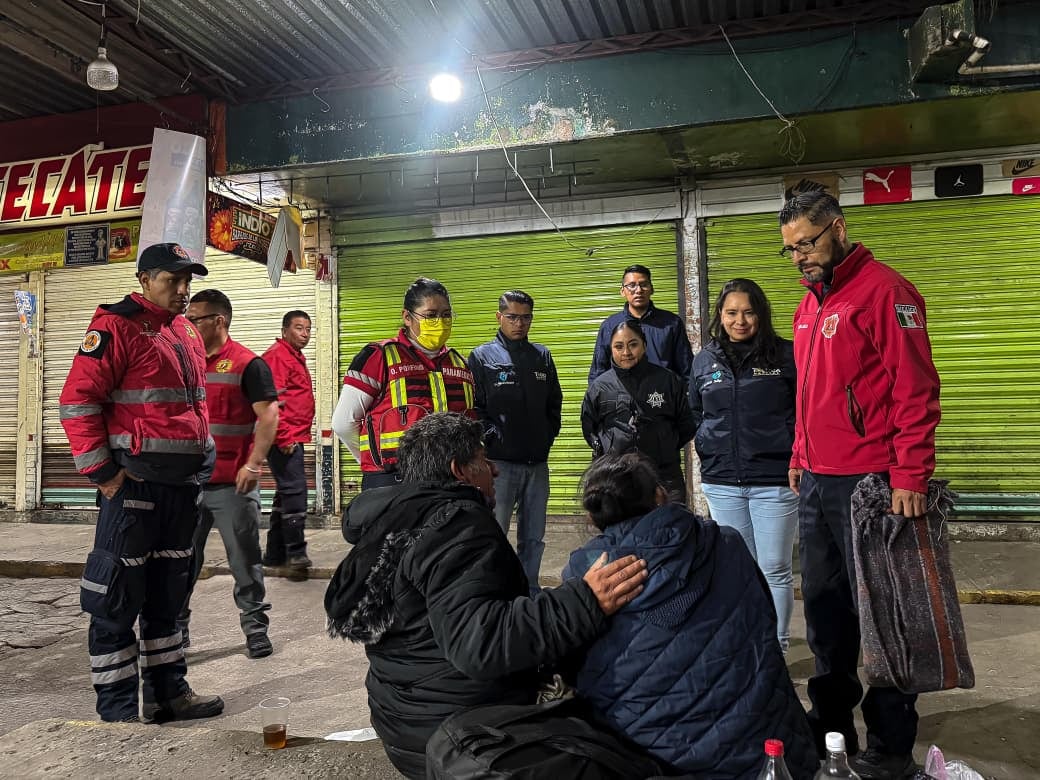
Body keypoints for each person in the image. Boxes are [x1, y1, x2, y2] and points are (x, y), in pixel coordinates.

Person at [325, 412, 648, 779]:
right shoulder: (456, 525)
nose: (494, 470)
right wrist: (584, 601)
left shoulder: (397, 517)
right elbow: (479, 643)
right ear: (459, 470)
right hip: (461, 742)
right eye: (482, 459)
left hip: (403, 729)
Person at [779, 191, 941, 779]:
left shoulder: (885, 293)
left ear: (838, 229)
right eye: (791, 249)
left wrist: (910, 473)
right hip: (818, 482)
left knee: (884, 616)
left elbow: (915, 390)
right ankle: (834, 732)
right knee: (825, 613)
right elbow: (807, 394)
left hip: (872, 482)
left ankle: (891, 746)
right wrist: (800, 453)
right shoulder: (807, 306)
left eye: (808, 243)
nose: (800, 257)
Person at [562, 453, 817, 780]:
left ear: (593, 515)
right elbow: (764, 621)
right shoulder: (724, 542)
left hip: (652, 759)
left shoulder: (585, 573)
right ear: (659, 495)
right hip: (770, 757)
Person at [59, 242, 223, 724]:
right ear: (145, 278)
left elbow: (190, 409)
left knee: (167, 598)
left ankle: (168, 697)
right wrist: (104, 475)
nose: (182, 288)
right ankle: (117, 715)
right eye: (172, 279)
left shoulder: (184, 331)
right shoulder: (115, 327)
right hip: (134, 490)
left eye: (186, 279)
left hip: (180, 489)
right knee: (115, 598)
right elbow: (77, 402)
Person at [688, 278, 799, 652]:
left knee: (774, 568)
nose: (740, 320)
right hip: (722, 483)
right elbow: (694, 412)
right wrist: (708, 449)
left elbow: (803, 411)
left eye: (748, 312)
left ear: (761, 314)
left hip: (774, 480)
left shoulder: (785, 355)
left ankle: (777, 647)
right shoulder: (705, 359)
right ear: (720, 315)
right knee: (739, 569)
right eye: (732, 312)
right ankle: (749, 645)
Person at [178, 289, 278, 660]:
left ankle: (255, 628)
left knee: (245, 562)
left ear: (218, 321)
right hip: (187, 485)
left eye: (195, 319)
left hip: (231, 486)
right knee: (182, 562)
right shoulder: (184, 363)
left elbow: (269, 415)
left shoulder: (247, 364)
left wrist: (254, 464)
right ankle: (177, 630)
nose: (187, 325)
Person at [331, 277, 475, 490]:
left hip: (448, 481)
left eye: (446, 315)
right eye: (431, 315)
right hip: (392, 480)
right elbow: (343, 423)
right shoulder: (378, 356)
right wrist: (373, 461)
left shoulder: (460, 364)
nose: (440, 322)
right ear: (407, 317)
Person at [467, 290, 562, 591]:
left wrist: (545, 437)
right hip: (499, 466)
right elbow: (475, 408)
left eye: (525, 318)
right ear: (499, 317)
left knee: (533, 537)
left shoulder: (541, 356)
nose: (519, 324)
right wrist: (494, 439)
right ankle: (494, 592)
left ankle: (529, 590)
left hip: (536, 464)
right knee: (494, 532)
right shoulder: (482, 357)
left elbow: (554, 404)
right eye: (512, 317)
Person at [581, 320, 696, 502]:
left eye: (633, 344)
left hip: (664, 477)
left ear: (644, 345)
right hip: (615, 479)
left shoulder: (668, 381)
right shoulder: (599, 387)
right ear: (611, 349)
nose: (626, 352)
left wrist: (664, 444)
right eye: (619, 346)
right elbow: (589, 427)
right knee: (621, 530)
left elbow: (687, 424)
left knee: (669, 528)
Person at [261, 310, 315, 570]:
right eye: (298, 328)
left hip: (293, 435)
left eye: (307, 329)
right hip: (285, 436)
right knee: (295, 491)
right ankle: (295, 553)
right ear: (285, 330)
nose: (304, 334)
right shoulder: (279, 356)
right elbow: (273, 400)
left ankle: (274, 554)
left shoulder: (294, 355)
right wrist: (283, 436)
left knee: (285, 494)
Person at [588, 263, 692, 383]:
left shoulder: (671, 323)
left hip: (661, 396)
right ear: (622, 291)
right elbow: (598, 373)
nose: (638, 290)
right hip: (623, 398)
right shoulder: (610, 326)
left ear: (652, 289)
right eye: (631, 285)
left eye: (644, 285)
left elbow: (686, 370)